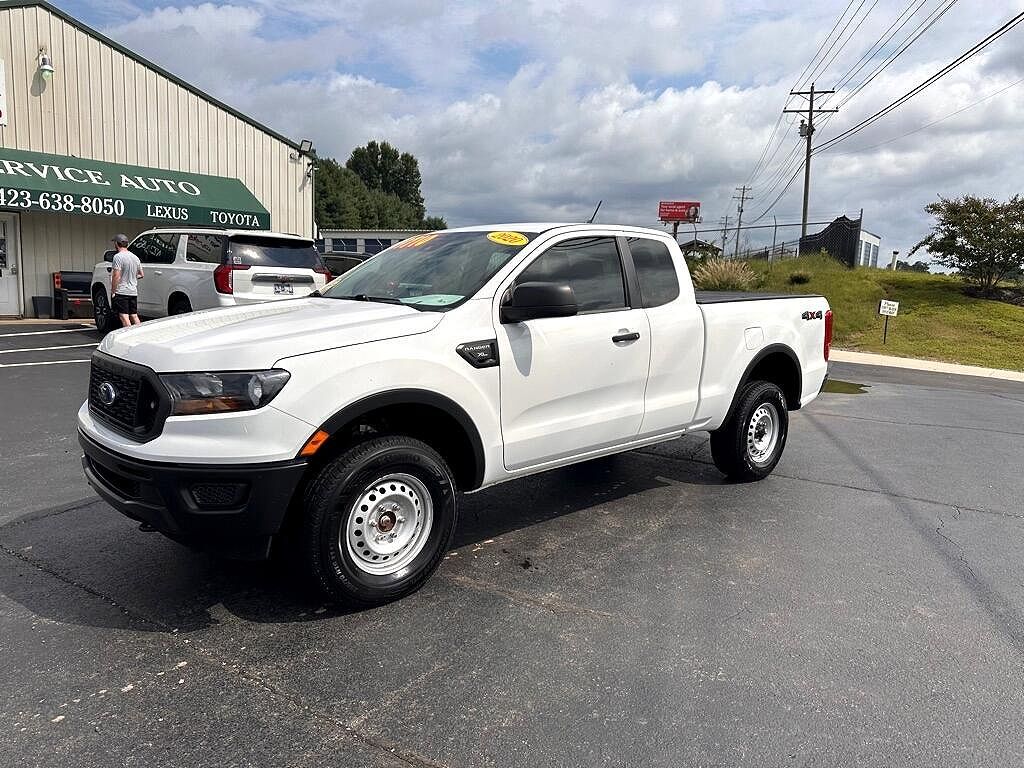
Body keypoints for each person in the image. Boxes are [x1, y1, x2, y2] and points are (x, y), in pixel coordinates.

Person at [110, 234, 143, 327]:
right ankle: (140, 332)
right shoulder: (135, 257)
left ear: (117, 244)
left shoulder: (118, 257)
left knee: (124, 316)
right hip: (133, 291)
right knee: (134, 315)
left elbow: (116, 275)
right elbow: (141, 274)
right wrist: (131, 277)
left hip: (122, 291)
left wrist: (113, 291)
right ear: (127, 244)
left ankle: (129, 334)